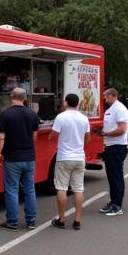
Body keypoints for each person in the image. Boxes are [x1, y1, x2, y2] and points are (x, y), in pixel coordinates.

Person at [0, 86, 40, 231]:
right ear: (25, 98)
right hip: (29, 157)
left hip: (12, 158)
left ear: (11, 97)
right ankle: (31, 221)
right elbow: (34, 136)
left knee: (12, 190)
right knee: (29, 189)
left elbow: (1, 137)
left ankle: (12, 222)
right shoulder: (32, 114)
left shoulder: (5, 114)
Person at [50, 92, 90, 230]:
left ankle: (61, 219)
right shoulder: (84, 118)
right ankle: (77, 220)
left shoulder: (61, 117)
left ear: (65, 102)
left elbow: (54, 135)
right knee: (78, 189)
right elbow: (87, 138)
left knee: (61, 188)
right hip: (79, 157)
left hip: (64, 157)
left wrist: (52, 138)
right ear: (77, 103)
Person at [100, 87, 128, 216]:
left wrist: (106, 134)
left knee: (116, 176)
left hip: (117, 146)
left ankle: (117, 205)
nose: (104, 99)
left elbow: (122, 129)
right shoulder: (111, 109)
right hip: (110, 146)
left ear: (112, 96)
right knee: (111, 176)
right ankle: (113, 202)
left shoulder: (120, 109)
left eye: (106, 97)